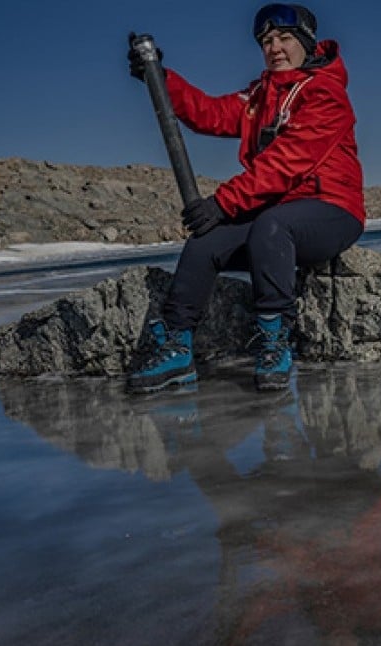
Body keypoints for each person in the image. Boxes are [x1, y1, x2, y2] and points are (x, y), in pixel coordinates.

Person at [126, 3, 365, 393]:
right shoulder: (260, 94)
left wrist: (222, 203)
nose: (274, 47)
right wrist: (161, 78)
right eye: (266, 41)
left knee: (272, 225)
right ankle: (177, 345)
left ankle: (274, 341)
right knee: (207, 240)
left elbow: (287, 163)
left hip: (332, 212)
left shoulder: (325, 94)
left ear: (306, 41)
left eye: (284, 38)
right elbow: (210, 114)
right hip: (278, 217)